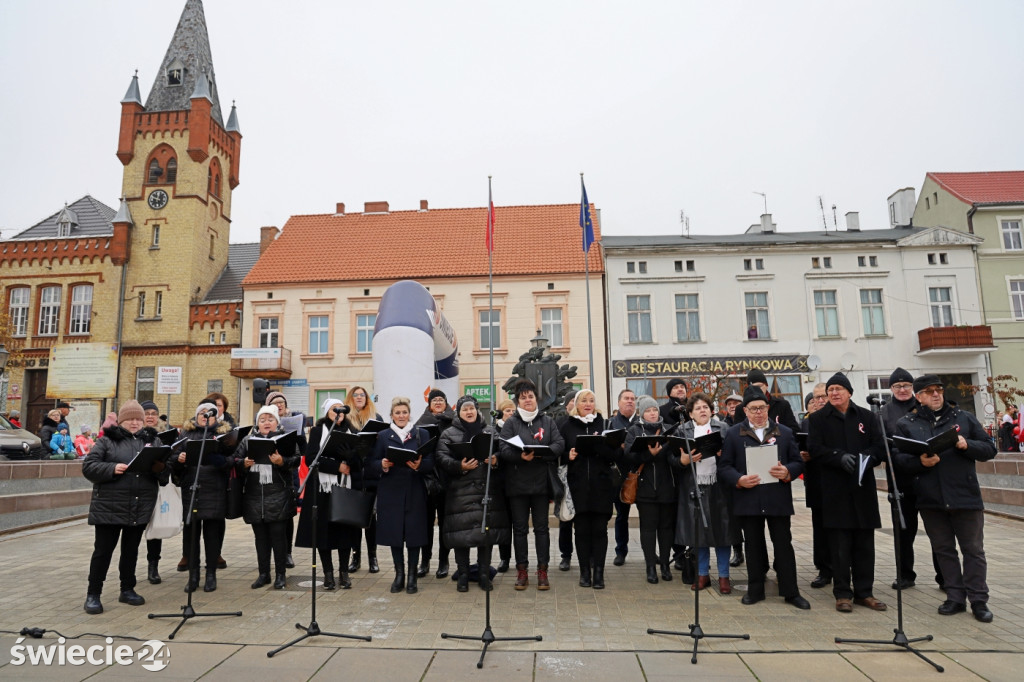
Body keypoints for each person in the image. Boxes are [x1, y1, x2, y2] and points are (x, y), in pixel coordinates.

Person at [893, 375, 997, 623]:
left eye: (938, 390)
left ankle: (979, 600)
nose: (936, 394)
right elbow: (899, 459)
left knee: (973, 550)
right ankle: (955, 597)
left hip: (965, 496)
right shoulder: (907, 424)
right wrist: (920, 462)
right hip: (931, 498)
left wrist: (966, 444)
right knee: (944, 550)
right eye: (929, 391)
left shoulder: (963, 418)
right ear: (918, 397)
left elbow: (989, 448)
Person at [719, 387, 809, 609]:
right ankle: (755, 589)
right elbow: (724, 467)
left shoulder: (784, 433)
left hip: (777, 497)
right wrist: (738, 480)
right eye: (753, 409)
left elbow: (798, 461)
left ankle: (791, 591)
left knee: (783, 545)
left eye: (761, 408)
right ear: (745, 411)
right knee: (753, 545)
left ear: (768, 409)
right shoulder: (733, 434)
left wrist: (788, 471)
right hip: (748, 498)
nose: (758, 413)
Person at [808, 373, 886, 614]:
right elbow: (815, 448)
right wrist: (837, 457)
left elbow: (879, 446)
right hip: (835, 490)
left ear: (849, 393)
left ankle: (865, 592)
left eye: (839, 389)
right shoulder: (819, 419)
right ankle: (842, 593)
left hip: (862, 489)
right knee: (840, 545)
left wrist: (868, 458)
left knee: (864, 544)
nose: (834, 393)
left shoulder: (867, 416)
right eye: (830, 389)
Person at [81, 400, 164, 614]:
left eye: (138, 419)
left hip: (140, 504)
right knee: (103, 551)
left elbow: (165, 473)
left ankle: (127, 589)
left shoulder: (152, 441)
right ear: (121, 421)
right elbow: (89, 466)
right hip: (110, 506)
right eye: (130, 419)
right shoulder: (108, 441)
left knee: (131, 551)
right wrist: (111, 468)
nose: (135, 423)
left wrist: (160, 467)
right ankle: (93, 594)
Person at [434, 395, 510, 591]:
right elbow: (441, 457)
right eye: (464, 409)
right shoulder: (449, 433)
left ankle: (485, 574)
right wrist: (459, 465)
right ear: (458, 413)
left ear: (477, 410)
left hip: (486, 489)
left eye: (472, 408)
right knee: (462, 536)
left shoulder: (491, 431)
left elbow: (504, 451)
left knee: (486, 534)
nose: (469, 412)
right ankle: (463, 574)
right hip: (460, 492)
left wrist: (496, 459)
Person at [499, 379, 565, 591]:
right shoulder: (511, 423)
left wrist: (544, 451)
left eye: (530, 396)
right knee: (519, 530)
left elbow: (559, 444)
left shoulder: (547, 421)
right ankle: (522, 571)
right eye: (523, 397)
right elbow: (504, 450)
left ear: (536, 398)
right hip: (517, 485)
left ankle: (542, 571)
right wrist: (521, 457)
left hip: (540, 484)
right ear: (518, 401)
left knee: (541, 529)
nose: (527, 400)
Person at [366, 396, 435, 595]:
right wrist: (382, 465)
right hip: (391, 491)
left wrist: (420, 465)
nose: (401, 416)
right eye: (398, 413)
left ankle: (412, 576)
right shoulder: (383, 435)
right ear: (392, 415)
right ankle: (399, 575)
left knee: (414, 535)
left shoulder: (421, 434)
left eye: (404, 412)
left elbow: (431, 462)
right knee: (395, 535)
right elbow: (371, 463)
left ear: (409, 413)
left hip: (415, 490)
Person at [673, 392, 738, 594]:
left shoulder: (724, 428)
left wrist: (723, 455)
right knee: (698, 534)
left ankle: (724, 576)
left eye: (705, 407)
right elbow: (671, 459)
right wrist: (682, 461)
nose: (702, 410)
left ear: (711, 410)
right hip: (693, 487)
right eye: (697, 408)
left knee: (722, 532)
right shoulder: (682, 431)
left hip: (719, 487)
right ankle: (702, 574)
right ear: (690, 414)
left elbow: (735, 457)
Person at [879, 368, 938, 591]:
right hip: (900, 480)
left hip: (929, 478)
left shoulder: (925, 406)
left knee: (937, 530)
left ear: (913, 388)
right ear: (891, 389)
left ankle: (943, 576)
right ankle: (905, 574)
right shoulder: (884, 412)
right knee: (904, 533)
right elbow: (881, 444)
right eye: (897, 386)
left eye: (906, 385)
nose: (902, 390)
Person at [296, 398, 364, 590]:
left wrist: (352, 459)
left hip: (345, 488)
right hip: (322, 490)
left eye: (341, 410)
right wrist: (337, 467)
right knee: (322, 532)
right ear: (327, 412)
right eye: (335, 410)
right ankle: (328, 573)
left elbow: (361, 462)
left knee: (344, 531)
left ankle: (343, 573)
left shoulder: (353, 433)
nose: (338, 413)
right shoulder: (318, 432)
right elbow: (311, 459)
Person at [558, 389, 620, 589]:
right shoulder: (567, 426)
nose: (588, 404)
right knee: (582, 531)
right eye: (584, 400)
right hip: (578, 487)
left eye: (591, 400)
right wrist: (569, 455)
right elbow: (558, 454)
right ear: (576, 403)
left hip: (602, 486)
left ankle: (599, 574)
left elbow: (616, 454)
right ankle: (585, 572)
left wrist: (601, 446)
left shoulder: (605, 424)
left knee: (600, 531)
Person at [235, 406, 300, 590]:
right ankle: (264, 574)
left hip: (278, 495)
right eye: (262, 420)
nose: (266, 422)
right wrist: (244, 464)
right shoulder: (247, 441)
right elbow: (235, 461)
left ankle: (281, 575)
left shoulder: (285, 440)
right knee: (260, 538)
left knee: (278, 538)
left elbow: (296, 460)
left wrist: (282, 462)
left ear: (277, 422)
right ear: (257, 423)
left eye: (270, 419)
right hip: (255, 497)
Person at [172, 402, 233, 593]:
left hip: (214, 488)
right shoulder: (185, 436)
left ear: (216, 418)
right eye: (201, 413)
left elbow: (232, 461)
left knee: (212, 535)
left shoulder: (224, 437)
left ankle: (211, 574)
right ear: (196, 416)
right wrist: (179, 460)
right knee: (191, 535)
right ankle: (193, 575)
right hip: (192, 488)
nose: (205, 416)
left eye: (209, 414)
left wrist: (220, 459)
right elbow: (173, 461)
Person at [625, 395, 679, 584]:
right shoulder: (634, 430)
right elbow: (629, 456)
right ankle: (650, 566)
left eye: (655, 410)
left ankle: (664, 564)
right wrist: (649, 454)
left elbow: (675, 457)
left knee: (666, 528)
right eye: (648, 410)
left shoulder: (668, 430)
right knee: (648, 529)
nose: (652, 413)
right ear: (641, 413)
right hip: (645, 488)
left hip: (667, 487)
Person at [415, 388, 454, 579]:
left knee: (445, 523)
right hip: (427, 480)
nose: (438, 402)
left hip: (448, 478)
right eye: (434, 400)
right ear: (429, 404)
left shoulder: (454, 421)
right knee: (426, 523)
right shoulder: (421, 422)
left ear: (446, 403)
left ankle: (443, 561)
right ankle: (425, 560)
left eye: (441, 399)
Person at [343, 386, 382, 574]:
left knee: (371, 519)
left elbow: (383, 445)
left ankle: (373, 557)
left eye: (362, 395)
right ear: (350, 398)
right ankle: (355, 556)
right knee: (354, 519)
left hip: (372, 474)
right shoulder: (345, 420)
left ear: (367, 399)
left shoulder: (376, 418)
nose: (359, 397)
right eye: (356, 395)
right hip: (354, 474)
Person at [266, 391, 305, 570]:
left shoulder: (293, 420)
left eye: (282, 402)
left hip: (288, 473)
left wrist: (298, 433)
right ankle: (268, 554)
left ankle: (287, 553)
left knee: (288, 514)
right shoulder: (262, 422)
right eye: (275, 402)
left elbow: (302, 450)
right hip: (267, 476)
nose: (279, 404)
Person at [800, 383, 831, 590]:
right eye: (816, 397)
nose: (819, 401)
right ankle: (824, 569)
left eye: (823, 397)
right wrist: (802, 455)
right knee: (819, 528)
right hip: (815, 480)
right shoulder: (807, 423)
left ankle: (841, 568)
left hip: (837, 481)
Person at [608, 389, 638, 566]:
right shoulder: (611, 424)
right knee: (621, 516)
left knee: (648, 517)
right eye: (626, 399)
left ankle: (650, 552)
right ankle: (621, 551)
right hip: (619, 475)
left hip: (640, 473)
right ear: (619, 403)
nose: (630, 401)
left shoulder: (641, 423)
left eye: (632, 399)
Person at [493, 398, 517, 572]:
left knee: (519, 523)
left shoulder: (519, 428)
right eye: (507, 410)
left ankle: (521, 559)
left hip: (517, 479)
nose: (510, 413)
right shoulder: (494, 430)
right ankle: (504, 558)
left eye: (513, 411)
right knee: (504, 522)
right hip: (500, 482)